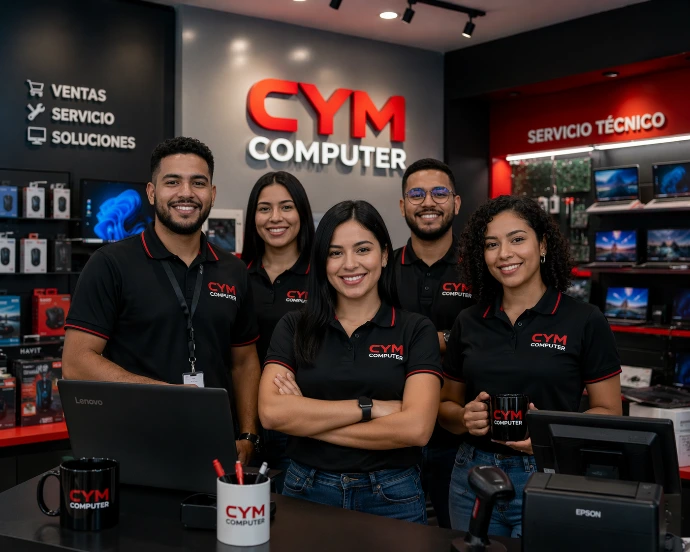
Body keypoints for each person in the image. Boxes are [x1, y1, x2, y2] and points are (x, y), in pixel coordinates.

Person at [62, 137, 262, 465]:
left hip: (214, 445)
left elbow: (244, 362)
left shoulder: (233, 270)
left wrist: (249, 434)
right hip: (133, 443)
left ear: (212, 194)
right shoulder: (111, 264)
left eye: (198, 182)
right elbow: (76, 361)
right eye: (172, 182)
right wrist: (165, 395)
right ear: (152, 192)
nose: (186, 192)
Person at [438, 195, 622, 537]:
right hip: (472, 477)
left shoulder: (584, 319)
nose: (504, 253)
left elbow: (610, 412)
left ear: (543, 245)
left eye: (517, 239)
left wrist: (549, 434)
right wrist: (464, 417)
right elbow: (446, 406)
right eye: (492, 244)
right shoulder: (469, 320)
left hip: (548, 473)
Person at [258, 200, 442, 524]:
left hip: (392, 496)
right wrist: (370, 407)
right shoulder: (294, 326)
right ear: (323, 262)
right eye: (335, 253)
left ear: (384, 255)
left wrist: (306, 422)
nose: (350, 264)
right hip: (306, 488)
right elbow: (272, 413)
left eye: (362, 249)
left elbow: (416, 429)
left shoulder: (416, 329)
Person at [394, 158, 474, 528]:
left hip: (461, 434)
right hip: (394, 428)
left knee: (458, 535)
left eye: (439, 193)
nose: (428, 202)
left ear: (456, 203)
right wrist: (444, 338)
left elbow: (487, 334)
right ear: (402, 206)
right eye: (417, 194)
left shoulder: (481, 268)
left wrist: (425, 339)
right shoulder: (382, 268)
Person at [243, 171, 315, 491]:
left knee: (294, 516)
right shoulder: (235, 275)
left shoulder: (324, 277)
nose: (275, 217)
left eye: (286, 207)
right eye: (264, 208)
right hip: (242, 422)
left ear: (302, 213)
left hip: (298, 423)